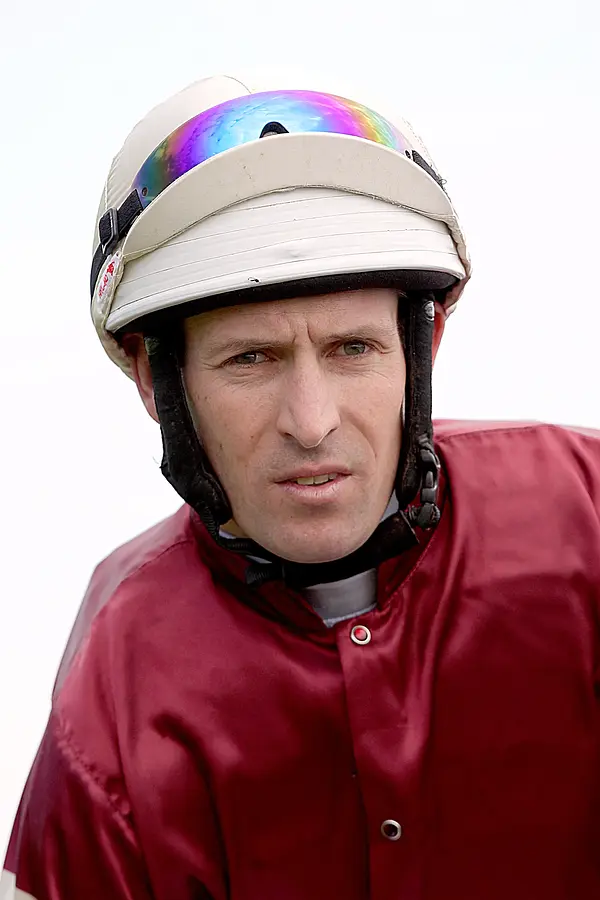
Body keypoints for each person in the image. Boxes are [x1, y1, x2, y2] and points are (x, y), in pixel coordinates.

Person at [2, 74, 600, 900]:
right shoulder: (115, 675)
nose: (311, 423)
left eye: (353, 348)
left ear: (422, 347)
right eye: (250, 359)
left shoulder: (584, 513)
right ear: (154, 380)